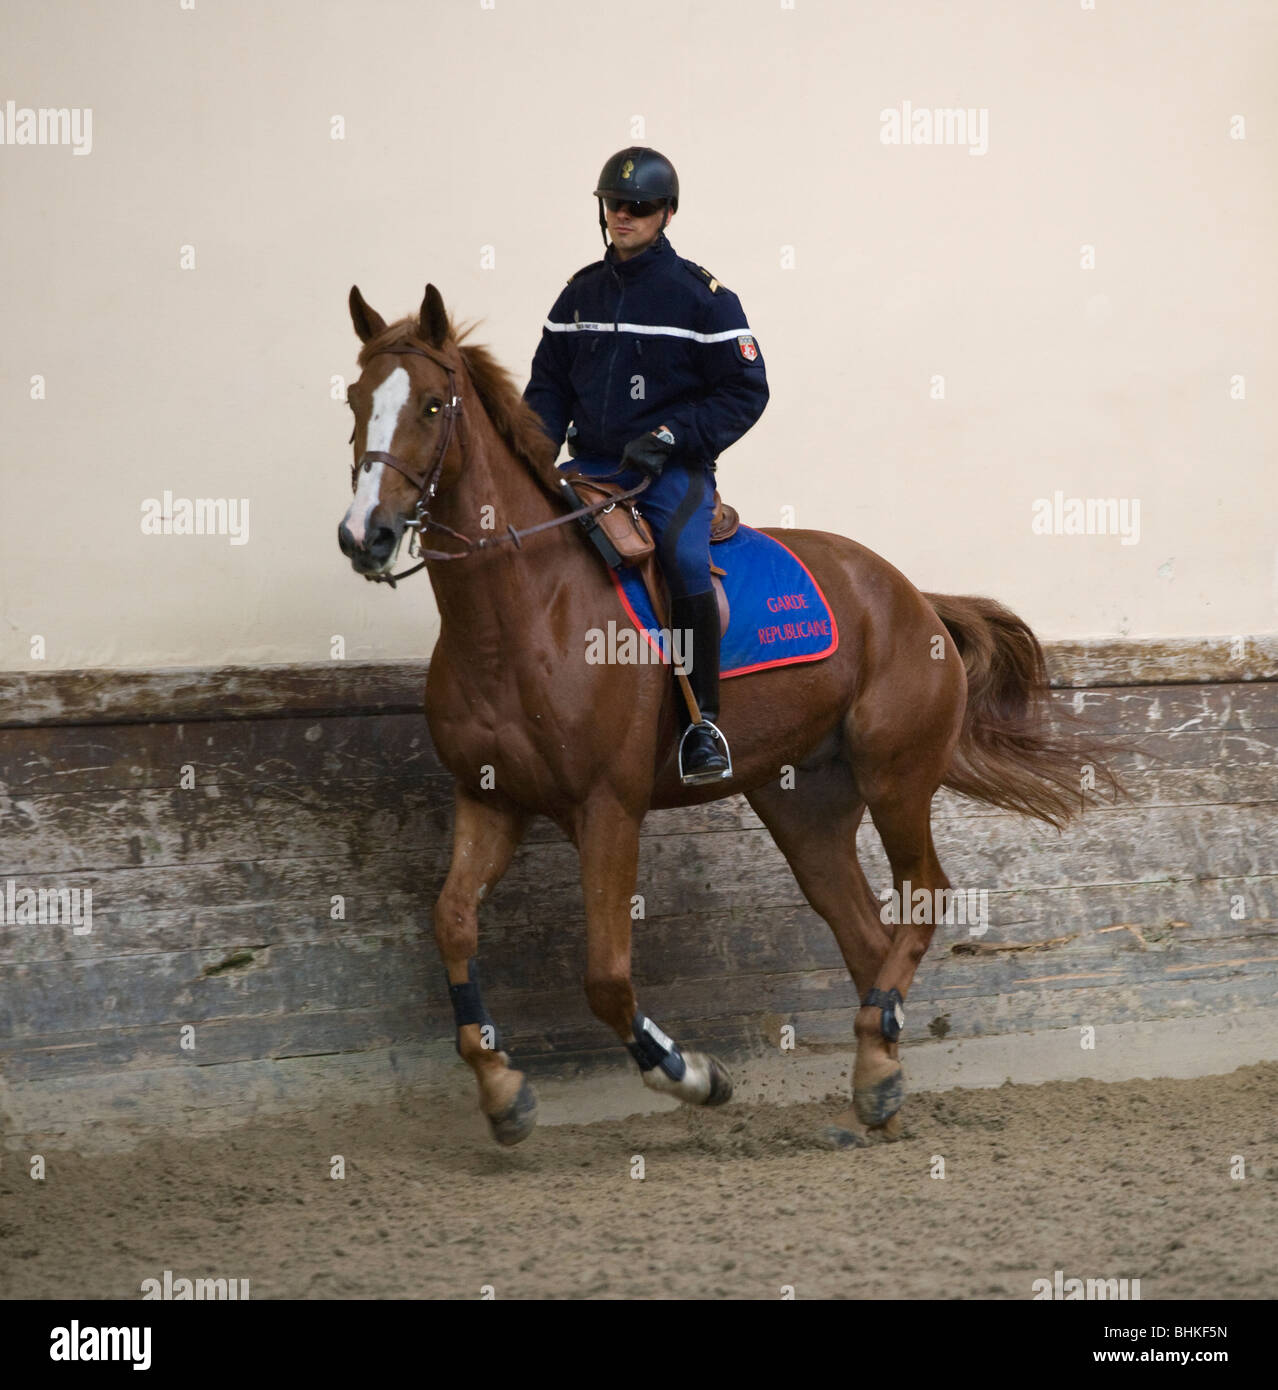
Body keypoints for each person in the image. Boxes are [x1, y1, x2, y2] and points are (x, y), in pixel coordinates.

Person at [523, 146, 769, 785]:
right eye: (614, 204)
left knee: (684, 561)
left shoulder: (705, 299)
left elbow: (746, 392)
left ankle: (701, 725)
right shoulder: (577, 294)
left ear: (666, 213)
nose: (623, 216)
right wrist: (529, 457)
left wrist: (672, 434)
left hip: (672, 473)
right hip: (590, 466)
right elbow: (546, 390)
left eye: (639, 207)